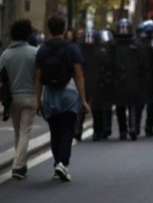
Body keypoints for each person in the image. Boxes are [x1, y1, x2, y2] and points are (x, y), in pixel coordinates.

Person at [35, 15, 91, 181]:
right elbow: (79, 75)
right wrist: (84, 99)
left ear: (49, 30)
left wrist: (38, 100)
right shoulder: (72, 48)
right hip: (69, 94)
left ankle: (57, 164)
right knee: (67, 130)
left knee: (55, 131)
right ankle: (62, 163)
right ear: (64, 29)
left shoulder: (42, 49)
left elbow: (38, 77)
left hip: (50, 94)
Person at [0, 19, 39, 179]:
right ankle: (18, 166)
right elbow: (38, 77)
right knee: (25, 131)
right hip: (30, 96)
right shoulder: (34, 52)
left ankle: (21, 163)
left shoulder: (6, 54)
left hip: (13, 98)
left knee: (18, 131)